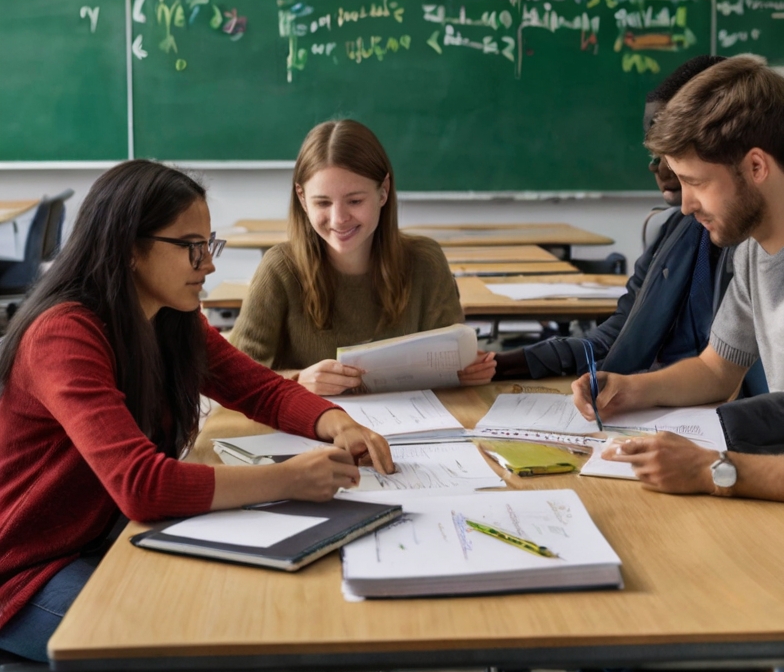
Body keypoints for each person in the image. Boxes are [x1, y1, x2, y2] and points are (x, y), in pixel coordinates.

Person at [0, 159, 393, 663]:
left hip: (98, 538)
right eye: (191, 248)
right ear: (129, 249)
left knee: (245, 590)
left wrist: (338, 423)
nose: (207, 264)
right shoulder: (65, 334)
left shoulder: (168, 319)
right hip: (23, 572)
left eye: (209, 244)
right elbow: (142, 486)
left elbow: (261, 391)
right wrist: (289, 479)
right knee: (198, 621)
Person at [572, 55, 784, 500]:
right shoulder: (751, 250)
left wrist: (714, 471)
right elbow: (717, 370)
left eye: (697, 182)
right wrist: (629, 390)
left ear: (756, 167)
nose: (685, 205)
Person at [495, 55, 732, 381]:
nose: (660, 169)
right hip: (655, 410)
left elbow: (730, 382)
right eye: (654, 155)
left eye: (673, 152)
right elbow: (617, 337)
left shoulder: (759, 245)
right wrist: (507, 364)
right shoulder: (673, 232)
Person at [230, 119, 496, 395]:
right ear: (302, 198)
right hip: (310, 433)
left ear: (383, 192)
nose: (339, 219)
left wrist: (464, 372)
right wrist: (296, 381)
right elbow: (232, 379)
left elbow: (450, 363)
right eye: (322, 202)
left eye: (355, 201)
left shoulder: (425, 262)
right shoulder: (279, 269)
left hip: (410, 428)